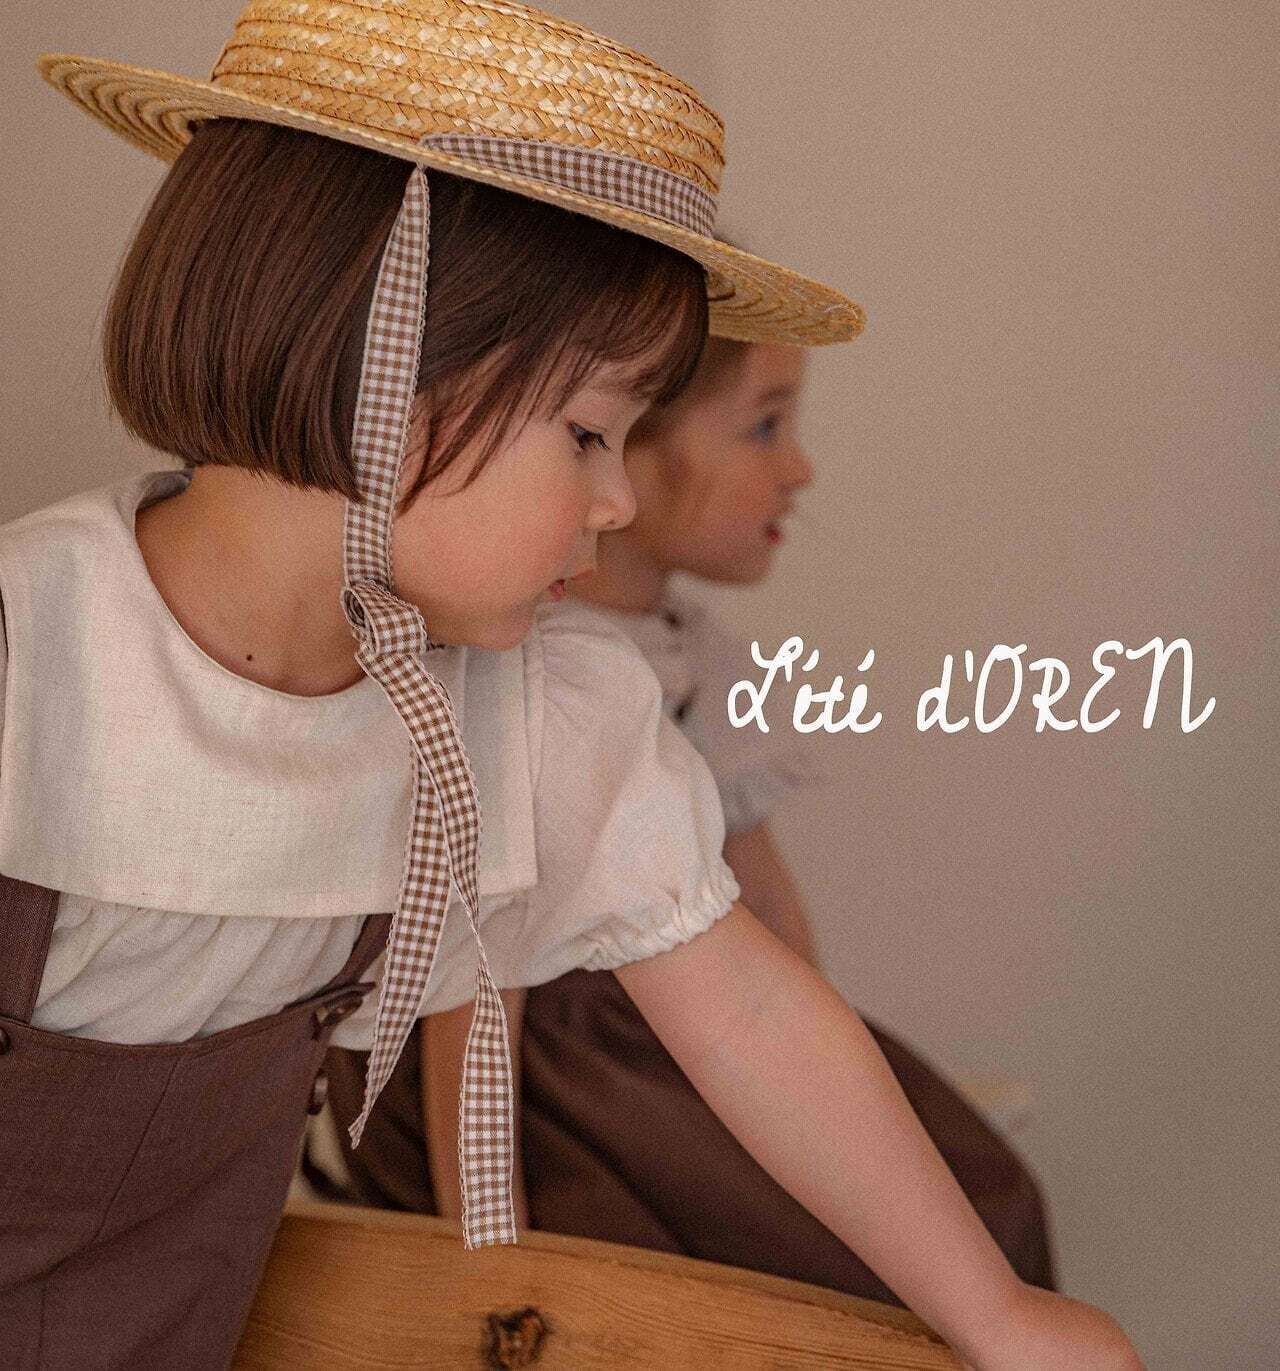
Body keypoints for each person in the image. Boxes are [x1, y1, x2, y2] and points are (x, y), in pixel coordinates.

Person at [0, 3, 1144, 1369]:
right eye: (591, 433)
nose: (616, 501)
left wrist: (998, 1312)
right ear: (389, 378)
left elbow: (752, 1008)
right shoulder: (32, 658)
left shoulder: (529, 711)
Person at [317, 327, 1058, 1305]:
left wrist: (833, 1092)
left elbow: (766, 905)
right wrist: (488, 1239)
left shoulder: (690, 655)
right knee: (754, 1283)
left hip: (673, 1031)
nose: (798, 469)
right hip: (554, 1069)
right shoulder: (524, 665)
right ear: (630, 442)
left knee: (985, 1200)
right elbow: (479, 978)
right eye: (763, 427)